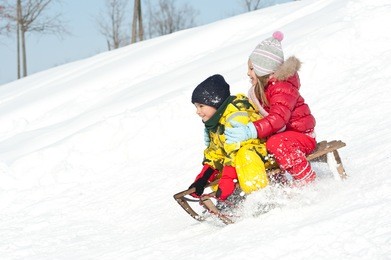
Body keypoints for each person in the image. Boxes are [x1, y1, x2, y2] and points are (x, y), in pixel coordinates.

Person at [224, 31, 317, 185]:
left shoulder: (282, 87)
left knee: (275, 144)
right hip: (287, 136)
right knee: (262, 146)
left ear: (263, 70)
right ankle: (279, 186)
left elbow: (279, 118)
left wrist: (250, 130)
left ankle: (307, 180)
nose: (248, 73)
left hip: (302, 136)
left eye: (252, 69)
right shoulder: (263, 89)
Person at [188, 74, 274, 201]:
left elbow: (235, 151)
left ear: (215, 102)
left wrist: (228, 180)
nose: (198, 111)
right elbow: (215, 155)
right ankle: (229, 200)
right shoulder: (215, 124)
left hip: (264, 157)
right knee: (221, 168)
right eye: (196, 107)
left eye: (201, 106)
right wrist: (202, 180)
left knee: (244, 155)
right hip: (241, 162)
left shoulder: (235, 116)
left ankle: (260, 196)